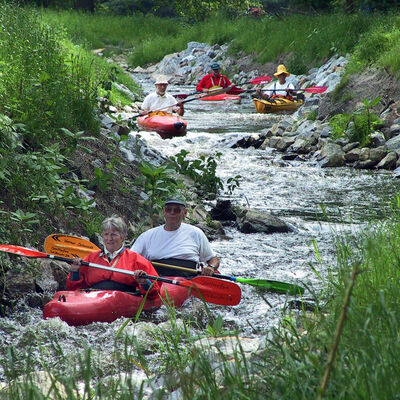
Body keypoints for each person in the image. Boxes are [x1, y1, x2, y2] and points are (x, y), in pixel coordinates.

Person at [66, 215, 161, 298]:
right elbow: (74, 289)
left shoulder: (137, 260)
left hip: (124, 299)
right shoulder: (91, 258)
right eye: (106, 234)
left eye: (114, 235)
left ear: (123, 236)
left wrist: (144, 282)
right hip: (93, 298)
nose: (109, 239)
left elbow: (154, 292)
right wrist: (74, 271)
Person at [131, 197, 220, 277]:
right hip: (156, 281)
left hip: (189, 281)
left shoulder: (196, 233)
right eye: (168, 209)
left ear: (184, 213)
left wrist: (211, 267)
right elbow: (130, 258)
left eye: (177, 210)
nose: (172, 213)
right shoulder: (147, 236)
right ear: (164, 212)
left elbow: (213, 259)